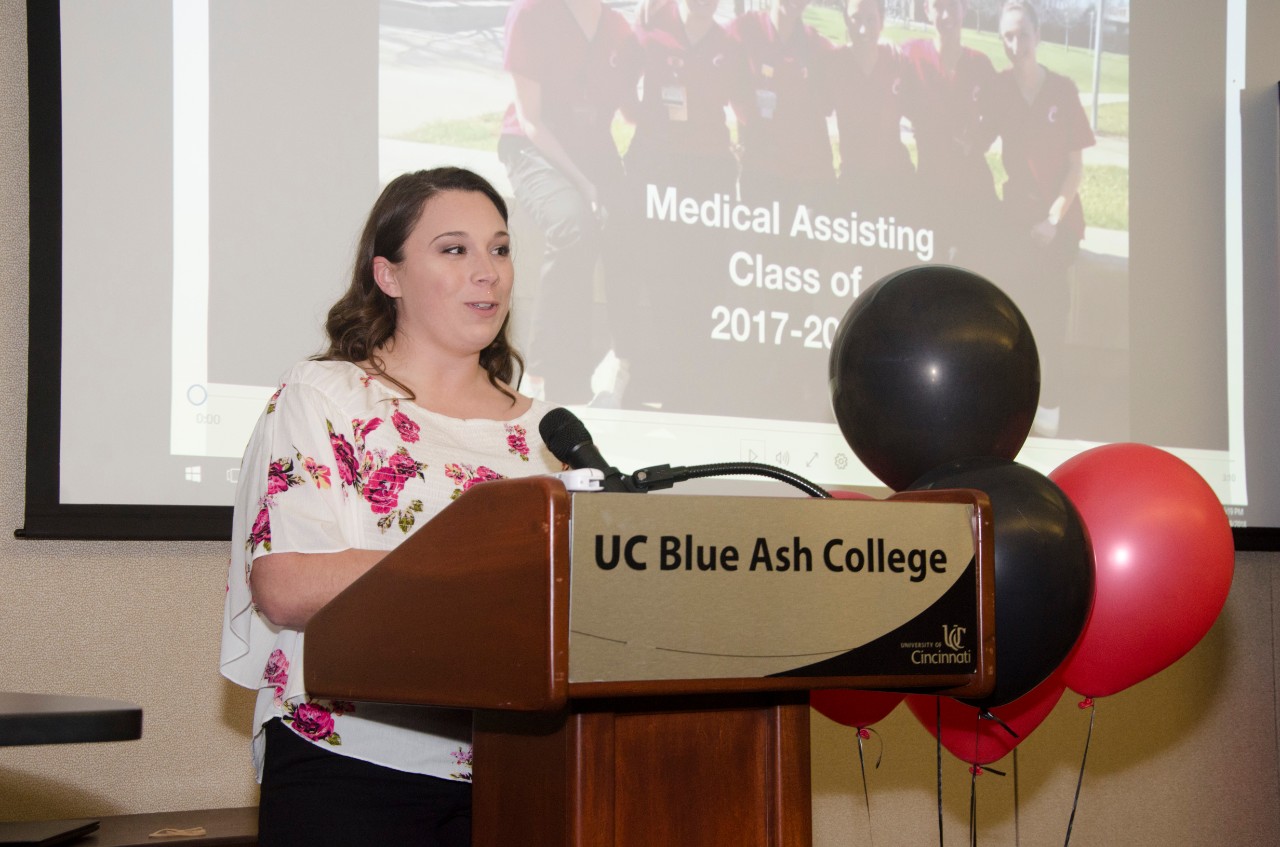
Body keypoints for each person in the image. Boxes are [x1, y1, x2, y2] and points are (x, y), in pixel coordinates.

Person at [220, 167, 564, 847]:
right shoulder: (326, 397)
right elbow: (287, 584)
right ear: (389, 275)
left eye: (500, 249)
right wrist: (482, 569)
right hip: (353, 768)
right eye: (454, 249)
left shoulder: (548, 433)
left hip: (526, 771)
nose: (487, 272)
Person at [497, 0, 640, 405]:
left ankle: (622, 361)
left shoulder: (619, 30)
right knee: (573, 227)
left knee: (628, 223)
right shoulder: (531, 14)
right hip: (534, 149)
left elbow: (632, 111)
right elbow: (531, 120)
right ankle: (541, 374)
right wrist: (584, 183)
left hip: (597, 155)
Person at [986, 0, 1095, 436]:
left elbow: (1076, 168)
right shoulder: (998, 88)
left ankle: (1050, 406)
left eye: (1023, 34)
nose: (1017, 44)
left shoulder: (1062, 90)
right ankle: (1015, 403)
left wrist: (1052, 219)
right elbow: (974, 136)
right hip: (1016, 219)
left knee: (1050, 316)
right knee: (1012, 314)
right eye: (1008, 37)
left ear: (1037, 36)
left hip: (1058, 224)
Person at [899, 0, 999, 266]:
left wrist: (976, 142)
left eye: (952, 6)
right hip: (930, 186)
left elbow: (998, 115)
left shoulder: (980, 64)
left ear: (964, 9)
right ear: (926, 9)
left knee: (969, 270)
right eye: (937, 6)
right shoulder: (912, 55)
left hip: (973, 191)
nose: (945, 15)